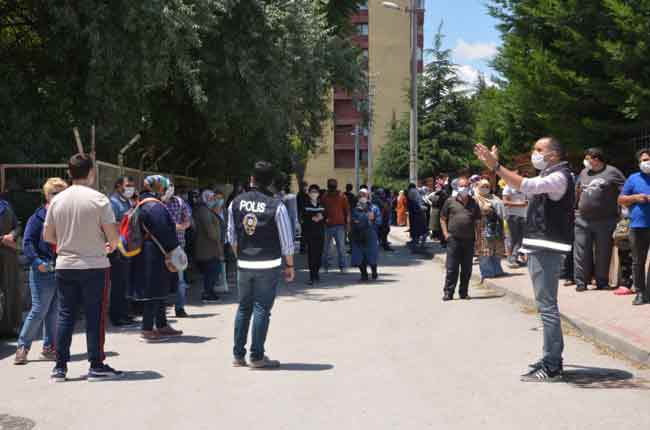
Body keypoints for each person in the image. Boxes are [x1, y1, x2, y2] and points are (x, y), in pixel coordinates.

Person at [475, 137, 575, 382]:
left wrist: (496, 167)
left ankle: (552, 365)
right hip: (539, 245)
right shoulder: (549, 175)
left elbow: (526, 185)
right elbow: (523, 186)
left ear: (553, 154)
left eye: (539, 149)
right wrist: (496, 166)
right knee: (545, 305)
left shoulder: (559, 177)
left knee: (547, 306)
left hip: (547, 247)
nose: (534, 153)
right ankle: (550, 358)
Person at [44, 153, 122, 382]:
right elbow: (113, 238)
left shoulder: (57, 200)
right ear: (91, 172)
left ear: (69, 173)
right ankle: (96, 364)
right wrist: (107, 245)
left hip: (65, 264)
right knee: (95, 315)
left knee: (65, 314)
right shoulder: (99, 200)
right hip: (94, 264)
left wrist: (69, 240)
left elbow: (48, 235)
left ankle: (60, 367)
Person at [228, 161, 295, 369]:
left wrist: (240, 256)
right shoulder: (276, 205)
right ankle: (257, 356)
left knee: (243, 308)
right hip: (268, 265)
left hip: (244, 264)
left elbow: (231, 236)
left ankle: (238, 356)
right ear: (272, 182)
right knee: (261, 309)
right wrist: (290, 265)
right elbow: (287, 240)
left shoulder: (236, 203)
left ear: (251, 179)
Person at [14, 178, 67, 365]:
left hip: (61, 267)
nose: (58, 197)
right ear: (46, 195)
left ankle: (49, 347)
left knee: (54, 311)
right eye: (54, 193)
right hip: (42, 269)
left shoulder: (67, 216)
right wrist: (37, 262)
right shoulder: (37, 218)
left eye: (61, 193)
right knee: (38, 310)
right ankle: (22, 347)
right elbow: (27, 242)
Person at [130, 175, 183, 343]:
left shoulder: (145, 203)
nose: (166, 190)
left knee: (159, 290)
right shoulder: (154, 206)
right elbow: (165, 230)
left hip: (151, 251)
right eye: (164, 187)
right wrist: (174, 248)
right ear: (157, 188)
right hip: (154, 253)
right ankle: (147, 328)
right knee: (153, 291)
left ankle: (161, 324)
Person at [574, 148, 625, 292]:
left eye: (587, 158)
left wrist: (623, 210)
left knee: (603, 252)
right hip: (582, 219)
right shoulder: (584, 173)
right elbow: (577, 190)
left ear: (596, 159)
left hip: (605, 220)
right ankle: (581, 282)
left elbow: (625, 190)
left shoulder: (612, 172)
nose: (585, 161)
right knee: (581, 251)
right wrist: (575, 207)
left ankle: (601, 282)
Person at [618, 148, 650, 306]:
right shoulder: (633, 178)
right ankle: (640, 292)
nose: (647, 162)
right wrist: (636, 197)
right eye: (644, 160)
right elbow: (621, 199)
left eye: (648, 159)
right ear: (639, 163)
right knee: (638, 261)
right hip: (638, 225)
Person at [440, 177, 481, 301]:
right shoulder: (450, 201)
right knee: (452, 268)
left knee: (467, 268)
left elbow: (478, 221)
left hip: (469, 240)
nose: (464, 188)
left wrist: (479, 238)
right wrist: (446, 234)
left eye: (466, 186)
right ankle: (448, 292)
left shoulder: (473, 202)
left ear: (469, 187)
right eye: (461, 186)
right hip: (454, 239)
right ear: (457, 187)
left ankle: (463, 292)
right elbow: (442, 218)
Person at [108, 176, 136, 327]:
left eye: (132, 185)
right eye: (127, 185)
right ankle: (116, 315)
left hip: (127, 247)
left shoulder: (127, 201)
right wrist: (127, 221)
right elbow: (111, 225)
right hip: (117, 247)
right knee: (118, 284)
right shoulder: (113, 202)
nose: (130, 188)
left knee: (125, 283)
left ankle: (125, 313)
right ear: (119, 186)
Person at [163, 182, 192, 317]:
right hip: (161, 247)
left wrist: (180, 226)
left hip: (178, 245)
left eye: (171, 187)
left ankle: (180, 308)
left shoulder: (180, 202)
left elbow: (187, 221)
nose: (169, 190)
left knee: (180, 279)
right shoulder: (157, 203)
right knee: (160, 279)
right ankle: (160, 309)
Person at [193, 189, 224, 304]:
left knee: (213, 270)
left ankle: (210, 292)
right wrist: (217, 237)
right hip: (207, 247)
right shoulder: (204, 211)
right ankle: (207, 293)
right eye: (210, 199)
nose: (213, 201)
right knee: (212, 271)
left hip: (209, 247)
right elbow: (210, 231)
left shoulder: (207, 210)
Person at [0, 194, 21, 335]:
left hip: (8, 254)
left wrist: (13, 235)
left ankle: (9, 327)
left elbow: (17, 225)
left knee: (10, 288)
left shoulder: (5, 204)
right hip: (5, 246)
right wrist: (2, 238)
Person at [350, 189, 382, 281]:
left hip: (371, 234)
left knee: (372, 255)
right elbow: (352, 220)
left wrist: (373, 219)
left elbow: (379, 221)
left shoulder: (374, 208)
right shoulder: (355, 209)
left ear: (368, 196)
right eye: (360, 195)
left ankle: (374, 272)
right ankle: (363, 274)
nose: (362, 197)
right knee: (359, 256)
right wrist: (356, 222)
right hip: (358, 234)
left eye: (364, 195)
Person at [321, 179, 350, 273]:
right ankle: (325, 266)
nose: (332, 189)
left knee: (341, 248)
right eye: (330, 186)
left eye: (333, 187)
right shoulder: (324, 197)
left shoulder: (342, 197)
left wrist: (347, 225)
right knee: (326, 249)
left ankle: (343, 267)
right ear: (328, 186)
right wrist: (324, 219)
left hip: (340, 226)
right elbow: (322, 210)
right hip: (327, 225)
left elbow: (347, 211)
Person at [502, 171, 528, 268]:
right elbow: (504, 201)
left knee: (521, 239)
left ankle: (513, 258)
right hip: (512, 215)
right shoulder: (508, 186)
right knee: (514, 238)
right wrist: (520, 204)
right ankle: (512, 259)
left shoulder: (524, 187)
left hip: (523, 215)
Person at [301, 184, 326, 284]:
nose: (314, 194)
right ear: (309, 193)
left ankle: (316, 274)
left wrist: (322, 217)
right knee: (311, 255)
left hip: (320, 233)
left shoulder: (321, 205)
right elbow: (304, 217)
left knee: (319, 255)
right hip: (310, 233)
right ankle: (312, 276)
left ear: (318, 194)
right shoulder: (306, 205)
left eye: (315, 192)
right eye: (312, 192)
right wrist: (312, 218)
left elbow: (326, 215)